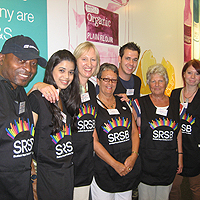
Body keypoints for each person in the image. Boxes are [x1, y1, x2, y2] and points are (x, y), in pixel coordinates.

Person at [30, 41, 100, 200]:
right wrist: (37, 86)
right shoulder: (55, 93)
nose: (89, 64)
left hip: (77, 165)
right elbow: (27, 121)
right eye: (84, 59)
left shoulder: (89, 88)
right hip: (52, 169)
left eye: (93, 59)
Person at [28, 50, 80, 200]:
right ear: (51, 70)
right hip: (46, 176)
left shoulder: (65, 99)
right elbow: (25, 138)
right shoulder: (37, 98)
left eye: (71, 72)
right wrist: (33, 179)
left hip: (66, 175)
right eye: (61, 70)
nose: (67, 77)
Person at [0, 35, 47, 200]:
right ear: (1, 58)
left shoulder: (20, 92)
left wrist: (33, 180)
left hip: (23, 188)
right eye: (21, 60)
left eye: (33, 64)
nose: (29, 69)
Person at [132, 63, 183, 200]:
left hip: (168, 163)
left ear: (166, 82)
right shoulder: (139, 104)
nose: (157, 84)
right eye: (153, 81)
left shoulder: (177, 105)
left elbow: (178, 133)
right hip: (146, 163)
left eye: (160, 80)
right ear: (148, 83)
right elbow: (133, 132)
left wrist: (180, 156)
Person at [91, 63, 141, 200]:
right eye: (105, 79)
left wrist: (134, 156)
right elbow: (94, 142)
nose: (110, 83)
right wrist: (115, 164)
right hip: (104, 170)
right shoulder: (92, 106)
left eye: (113, 80)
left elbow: (134, 132)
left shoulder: (123, 102)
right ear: (98, 80)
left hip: (126, 168)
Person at [169, 59, 200, 200]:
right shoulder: (174, 94)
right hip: (176, 149)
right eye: (189, 73)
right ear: (183, 74)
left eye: (197, 74)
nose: (192, 77)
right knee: (174, 187)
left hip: (195, 149)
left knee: (195, 187)